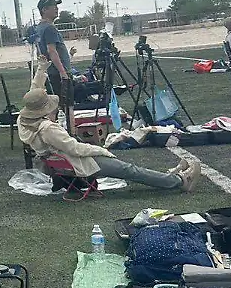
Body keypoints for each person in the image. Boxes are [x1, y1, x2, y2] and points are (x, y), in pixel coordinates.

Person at [19, 60, 201, 191]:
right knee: (129, 170)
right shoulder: (48, 129)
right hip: (76, 163)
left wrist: (41, 70)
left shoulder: (25, 121)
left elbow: (33, 93)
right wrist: (101, 150)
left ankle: (171, 176)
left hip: (61, 162)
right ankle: (178, 181)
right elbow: (74, 148)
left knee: (128, 169)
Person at [33, 0, 73, 98]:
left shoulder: (39, 28)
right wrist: (63, 72)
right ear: (44, 10)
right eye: (53, 7)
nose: (56, 9)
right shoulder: (50, 28)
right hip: (57, 74)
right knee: (68, 107)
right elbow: (52, 51)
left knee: (54, 106)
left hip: (49, 72)